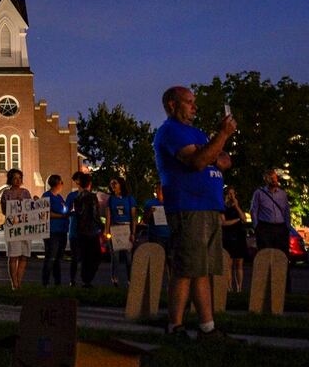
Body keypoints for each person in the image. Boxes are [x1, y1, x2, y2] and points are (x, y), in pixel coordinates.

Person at [153, 86, 235, 340]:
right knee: (186, 268)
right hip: (188, 207)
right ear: (172, 104)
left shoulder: (197, 133)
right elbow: (199, 161)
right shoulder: (170, 131)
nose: (194, 107)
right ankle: (175, 326)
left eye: (193, 102)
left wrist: (211, 151)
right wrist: (220, 136)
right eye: (188, 102)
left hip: (208, 207)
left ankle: (207, 327)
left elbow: (223, 160)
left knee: (202, 270)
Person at [0, 168, 32, 289]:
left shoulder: (26, 192)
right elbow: (4, 211)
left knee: (24, 255)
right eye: (15, 178)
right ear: (10, 180)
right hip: (13, 227)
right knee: (13, 255)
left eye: (19, 178)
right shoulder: (6, 193)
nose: (17, 180)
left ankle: (19, 282)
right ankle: (14, 283)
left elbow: (32, 209)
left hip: (24, 227)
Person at [72, 173, 103, 288]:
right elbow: (95, 214)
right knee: (96, 255)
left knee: (85, 257)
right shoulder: (91, 197)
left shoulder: (77, 198)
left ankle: (85, 279)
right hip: (91, 230)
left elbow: (78, 214)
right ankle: (88, 279)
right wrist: (101, 225)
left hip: (81, 230)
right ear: (90, 184)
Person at [250, 169, 291, 256]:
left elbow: (287, 211)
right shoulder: (259, 193)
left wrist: (287, 227)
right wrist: (256, 226)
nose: (274, 180)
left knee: (281, 254)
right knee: (265, 253)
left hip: (281, 227)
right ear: (265, 179)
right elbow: (254, 210)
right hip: (265, 227)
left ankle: (281, 269)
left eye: (275, 178)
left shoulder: (282, 194)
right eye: (271, 178)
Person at [105, 176, 137, 286]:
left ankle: (130, 280)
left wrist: (133, 232)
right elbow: (108, 216)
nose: (113, 185)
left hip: (126, 228)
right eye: (112, 183)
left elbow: (133, 217)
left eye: (115, 183)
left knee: (128, 257)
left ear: (121, 185)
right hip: (115, 229)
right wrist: (106, 231)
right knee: (115, 257)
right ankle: (115, 279)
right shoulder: (111, 199)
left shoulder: (129, 199)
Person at [41, 174, 69, 286]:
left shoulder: (60, 197)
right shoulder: (47, 196)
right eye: (61, 182)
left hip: (61, 231)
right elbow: (45, 212)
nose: (62, 185)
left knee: (58, 258)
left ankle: (57, 282)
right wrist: (61, 216)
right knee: (51, 257)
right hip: (52, 231)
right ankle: (45, 282)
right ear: (57, 184)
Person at [222, 187, 248, 292]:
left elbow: (244, 219)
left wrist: (236, 206)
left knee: (239, 263)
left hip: (239, 236)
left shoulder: (238, 206)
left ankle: (239, 287)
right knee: (229, 263)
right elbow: (223, 223)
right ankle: (229, 287)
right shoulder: (223, 207)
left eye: (233, 193)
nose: (231, 196)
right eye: (229, 194)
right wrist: (237, 220)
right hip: (228, 237)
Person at [66, 171, 83, 286]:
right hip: (75, 230)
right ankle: (73, 280)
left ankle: (85, 280)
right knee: (75, 257)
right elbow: (66, 211)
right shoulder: (72, 196)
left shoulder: (90, 195)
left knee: (85, 257)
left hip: (87, 231)